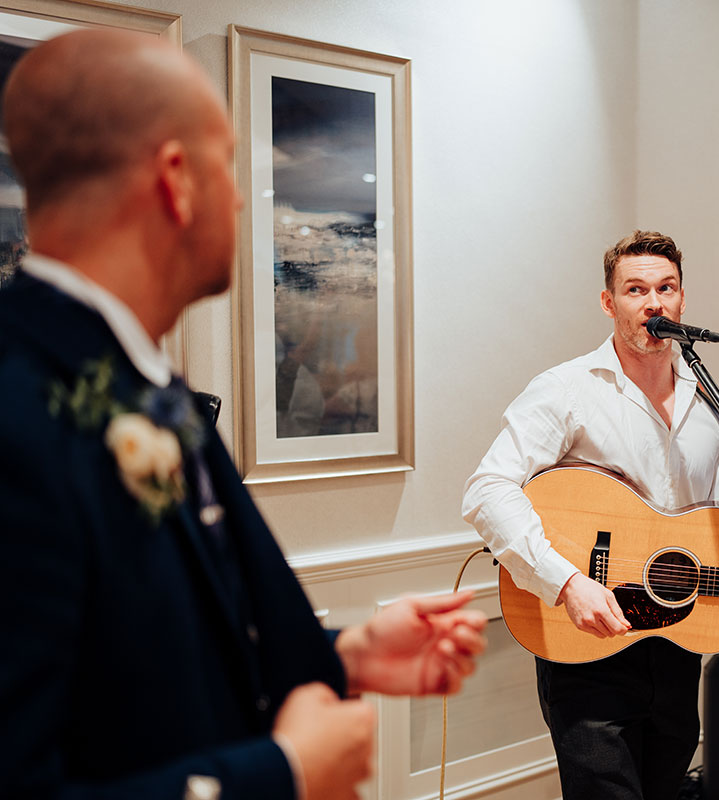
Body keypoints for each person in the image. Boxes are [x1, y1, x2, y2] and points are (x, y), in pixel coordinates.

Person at [0, 30, 486, 800]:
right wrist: (280, 774)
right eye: (227, 164)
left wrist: (349, 652)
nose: (236, 196)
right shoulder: (18, 414)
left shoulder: (140, 378)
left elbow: (147, 655)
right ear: (175, 179)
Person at [462, 229, 719, 800]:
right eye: (636, 290)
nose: (653, 303)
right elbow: (488, 488)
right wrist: (567, 583)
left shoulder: (708, 401)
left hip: (677, 646)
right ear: (610, 303)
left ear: (683, 301)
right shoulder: (566, 390)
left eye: (666, 288)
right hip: (587, 646)